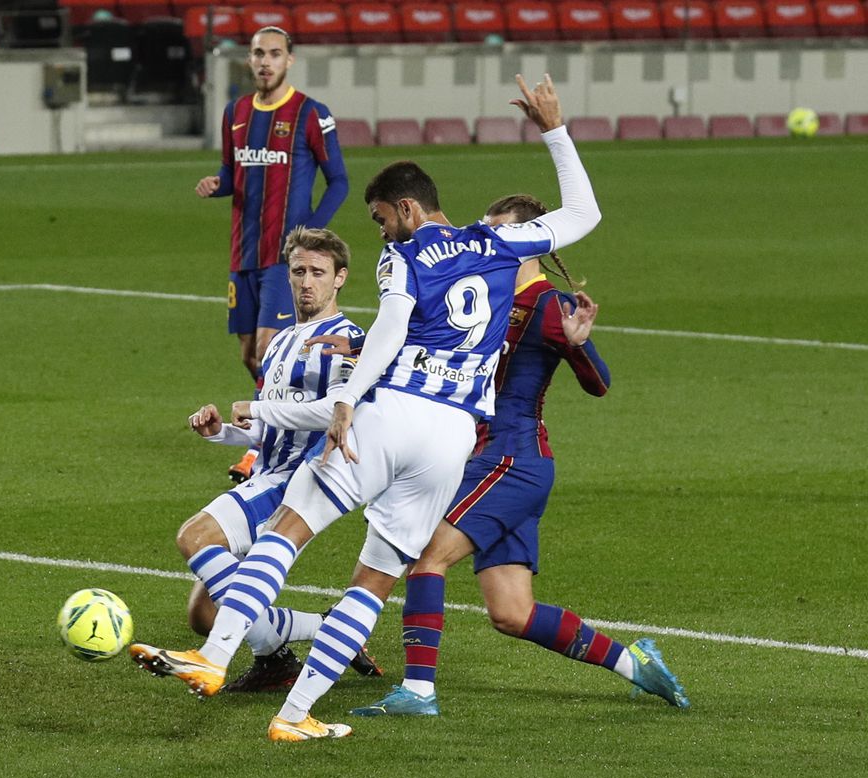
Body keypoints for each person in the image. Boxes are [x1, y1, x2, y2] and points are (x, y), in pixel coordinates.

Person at [132, 74, 603, 741]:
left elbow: (387, 330)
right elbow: (585, 215)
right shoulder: (500, 244)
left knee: (289, 529)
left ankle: (213, 658)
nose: (381, 230)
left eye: (381, 218)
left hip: (396, 410)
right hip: (451, 439)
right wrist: (554, 128)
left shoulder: (405, 254)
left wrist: (350, 397)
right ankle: (295, 716)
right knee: (374, 579)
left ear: (406, 210)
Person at [303, 195, 689, 716]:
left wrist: (577, 344)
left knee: (424, 554)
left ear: (532, 241)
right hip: (493, 460)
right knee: (512, 612)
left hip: (510, 459)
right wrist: (363, 351)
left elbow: (600, 383)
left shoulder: (546, 304)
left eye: (498, 231)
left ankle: (418, 691)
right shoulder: (487, 293)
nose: (485, 240)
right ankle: (636, 664)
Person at [176, 226, 380, 692]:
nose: (307, 282)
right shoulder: (282, 342)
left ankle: (279, 655)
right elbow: (268, 427)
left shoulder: (350, 344)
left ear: (340, 278)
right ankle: (321, 633)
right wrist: (223, 432)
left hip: (297, 483)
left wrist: (259, 407)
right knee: (204, 615)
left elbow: (337, 413)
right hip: (265, 472)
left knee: (193, 536)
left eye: (318, 272)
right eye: (298, 271)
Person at [196, 26, 350, 483]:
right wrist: (216, 185)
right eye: (258, 53)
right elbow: (231, 171)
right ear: (249, 59)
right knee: (250, 354)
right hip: (243, 251)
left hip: (283, 259)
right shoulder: (236, 112)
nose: (265, 61)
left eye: (274, 54)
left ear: (290, 60)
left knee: (268, 351)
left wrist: (313, 234)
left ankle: (260, 449)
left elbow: (338, 179)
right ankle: (283, 429)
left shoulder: (309, 113)